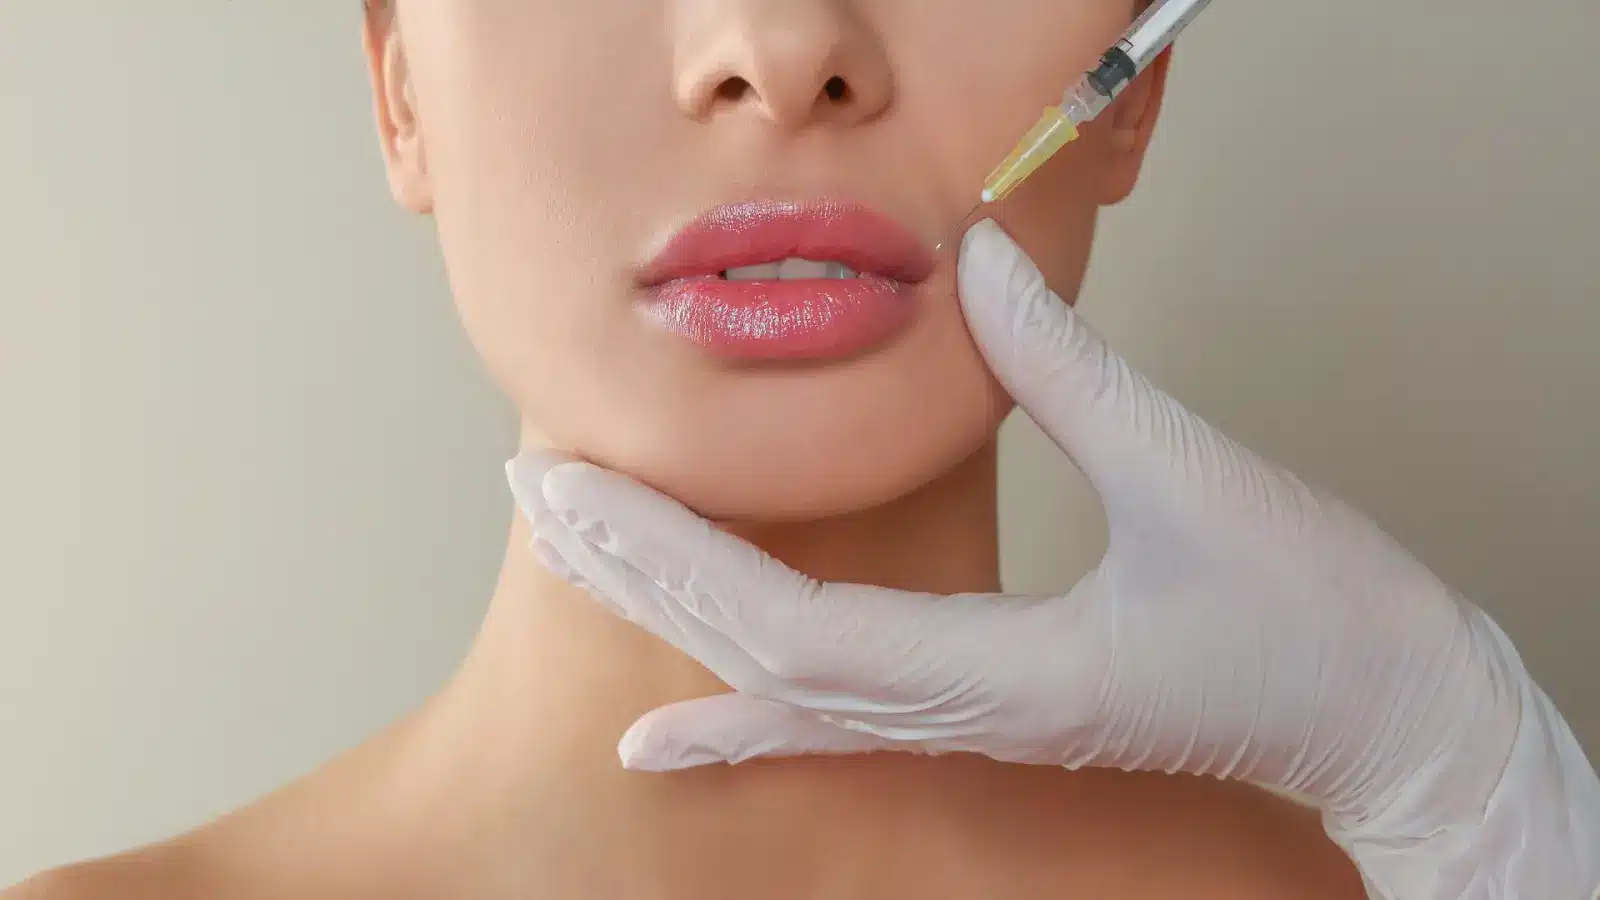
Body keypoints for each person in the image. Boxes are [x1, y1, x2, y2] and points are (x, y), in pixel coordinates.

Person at [5, 1, 1579, 899]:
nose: (782, 43)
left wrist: (1482, 793)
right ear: (399, 77)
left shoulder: (1424, 867)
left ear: (1132, 74)